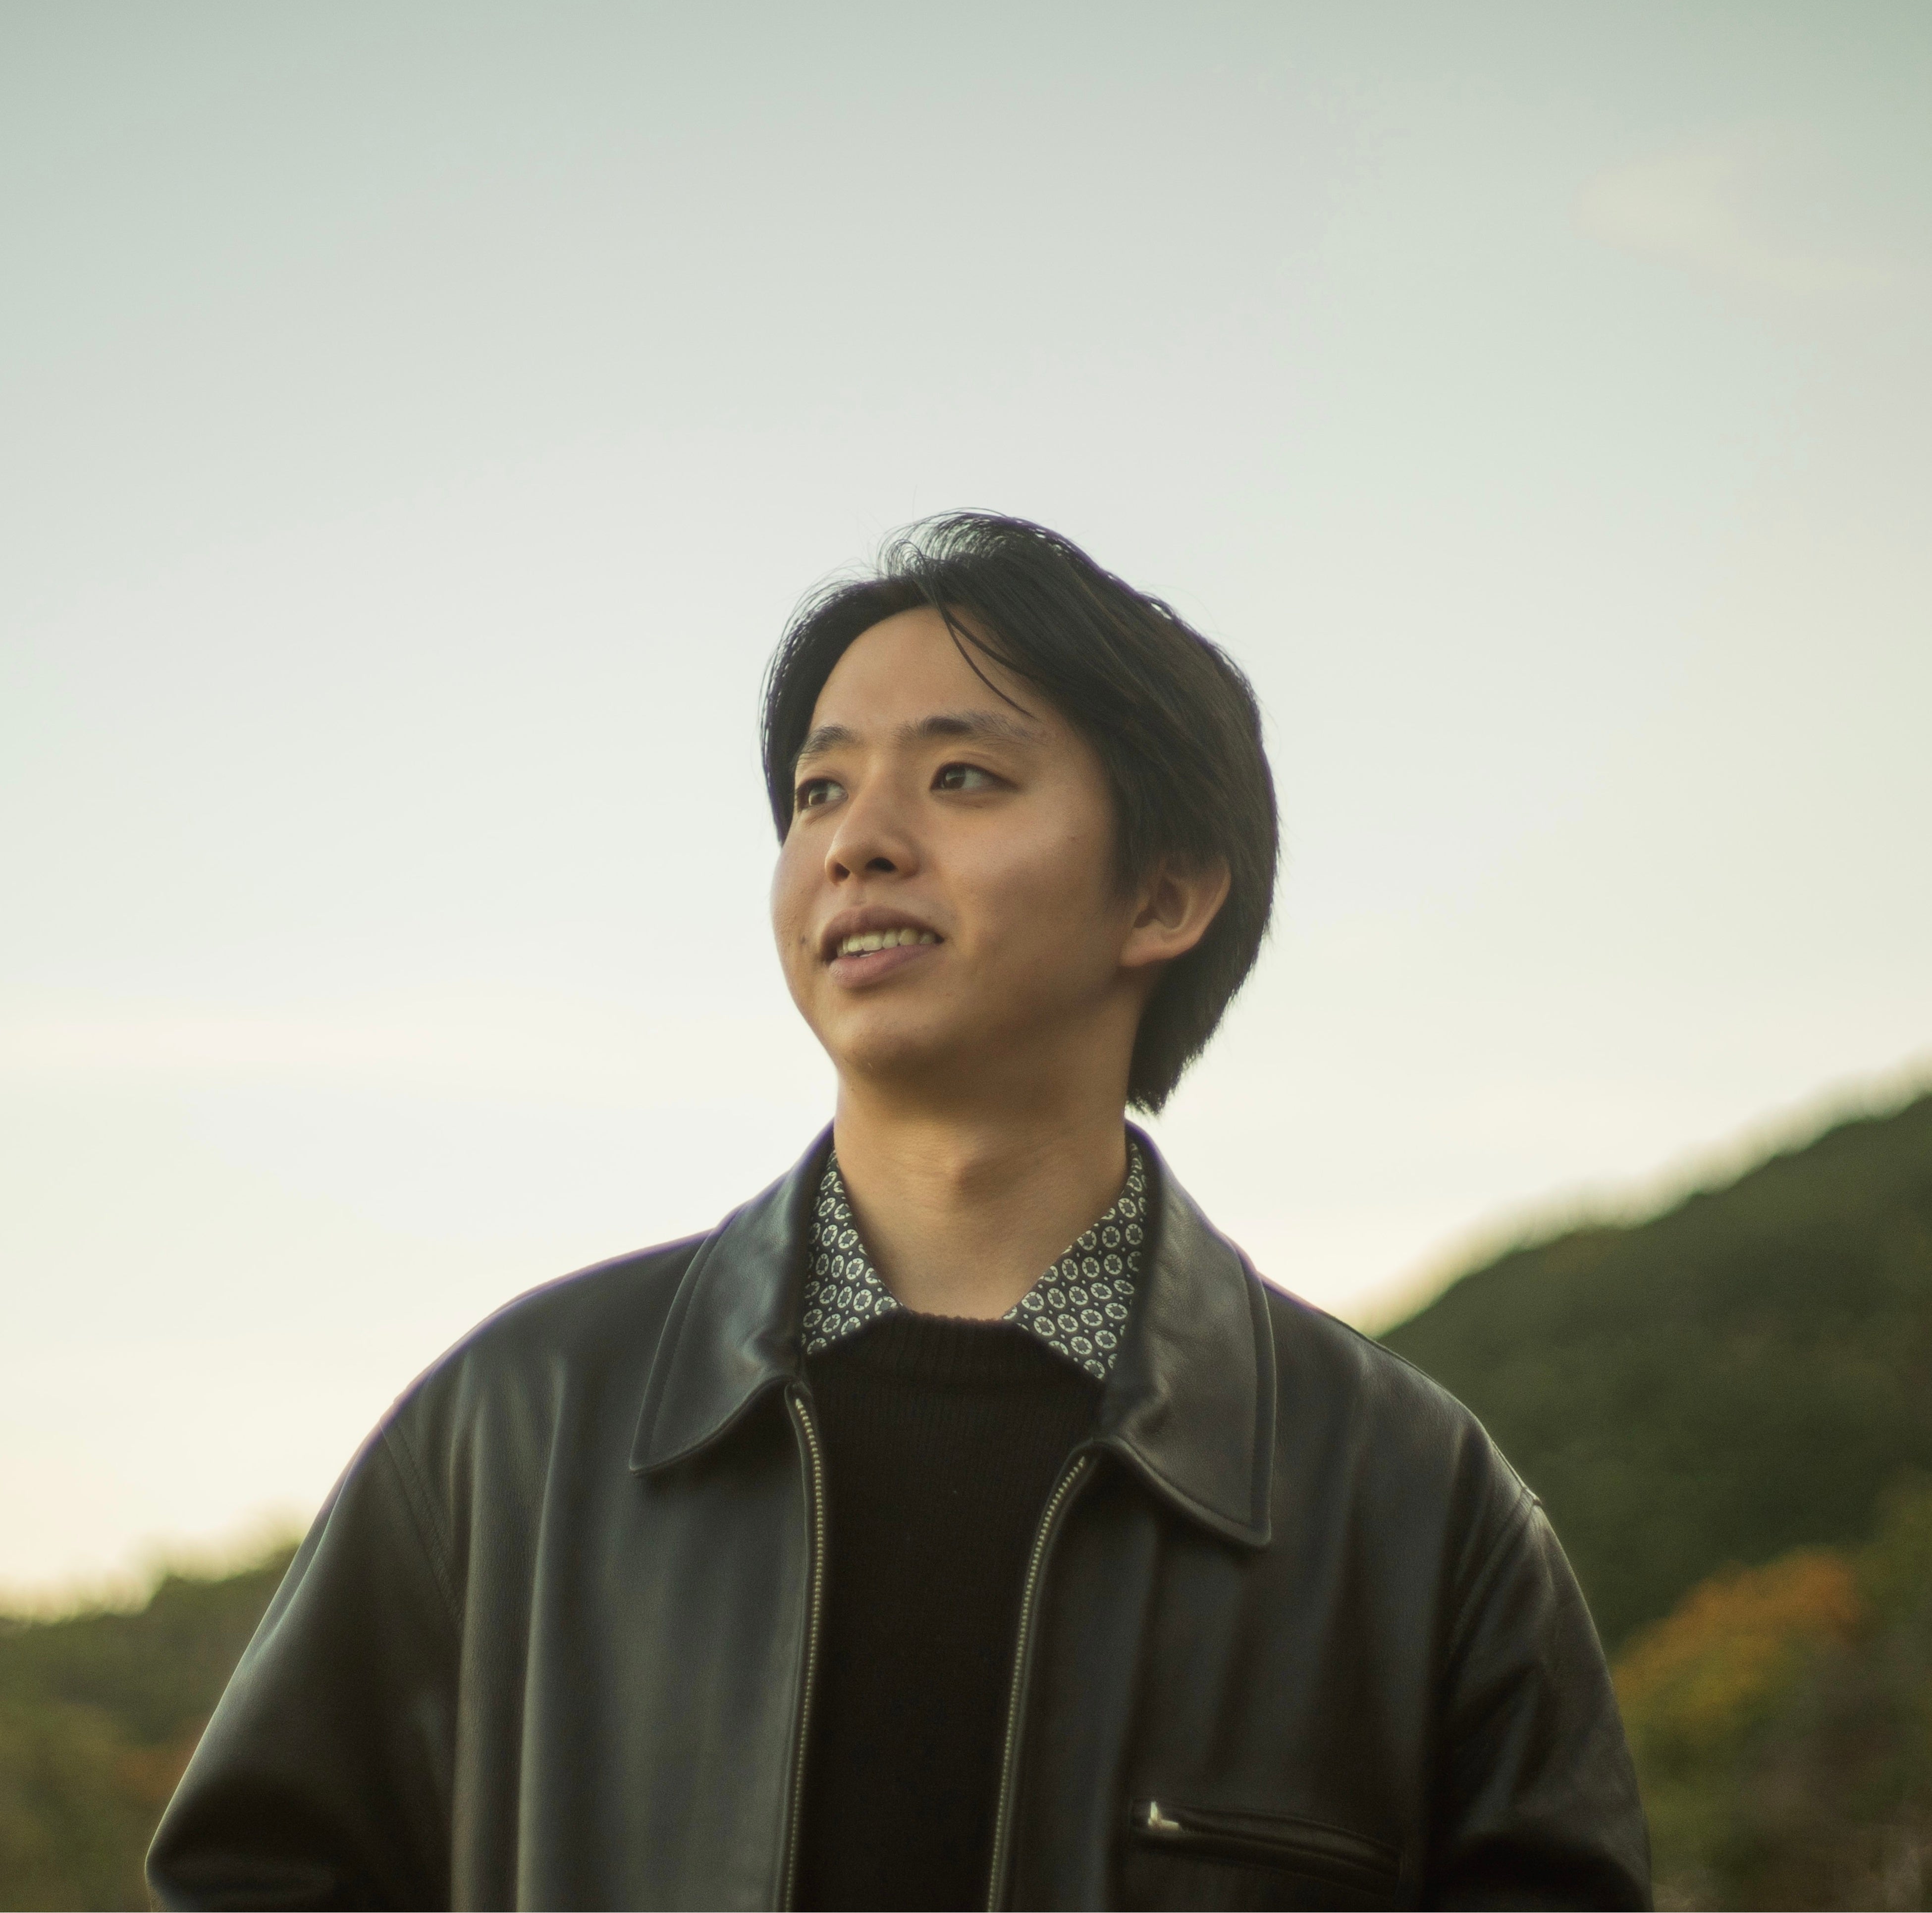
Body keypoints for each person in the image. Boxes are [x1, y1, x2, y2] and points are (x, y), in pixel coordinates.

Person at [148, 514, 1651, 1911]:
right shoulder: (516, 1424)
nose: (855, 841)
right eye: (820, 790)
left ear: (1165, 895)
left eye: (961, 777)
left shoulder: (1410, 1504)